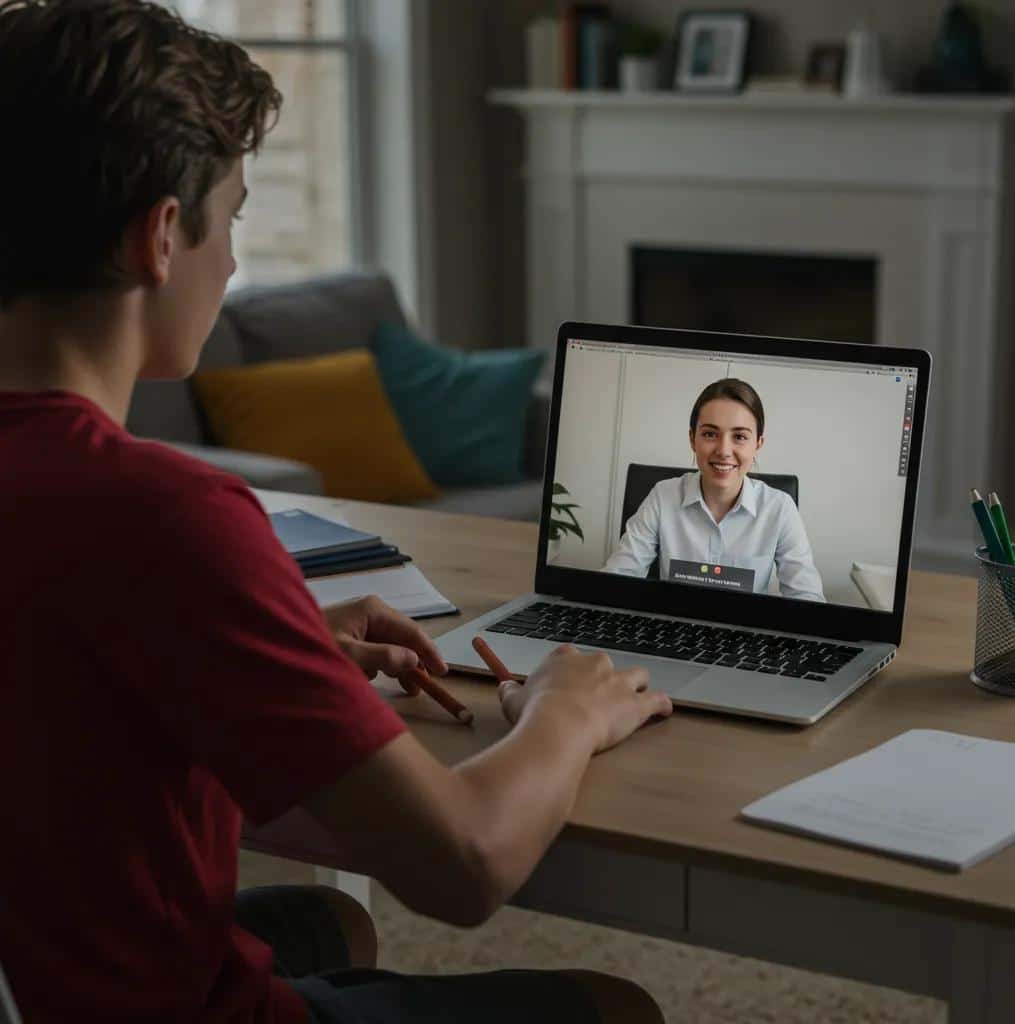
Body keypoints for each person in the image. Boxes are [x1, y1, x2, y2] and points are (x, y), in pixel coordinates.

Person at [0, 3, 672, 1022]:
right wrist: (564, 711)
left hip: (46, 961)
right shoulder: (167, 517)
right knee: (606, 1007)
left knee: (330, 929)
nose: (231, 263)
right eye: (231, 219)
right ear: (162, 237)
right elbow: (464, 866)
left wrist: (282, 645)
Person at [603, 378, 825, 602]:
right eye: (710, 434)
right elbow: (617, 580)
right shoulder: (663, 496)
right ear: (692, 439)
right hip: (674, 628)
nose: (724, 451)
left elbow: (807, 599)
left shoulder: (780, 508)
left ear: (758, 444)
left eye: (739, 437)